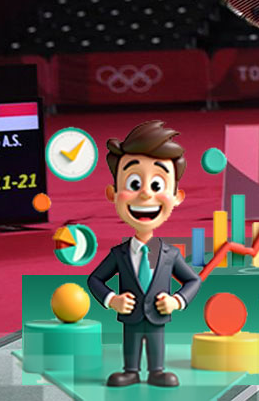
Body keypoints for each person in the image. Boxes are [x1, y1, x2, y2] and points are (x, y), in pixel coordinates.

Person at [87, 121, 200, 388]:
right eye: (134, 183)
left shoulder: (171, 254)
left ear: (177, 196)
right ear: (113, 193)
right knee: (131, 340)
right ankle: (131, 370)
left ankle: (157, 370)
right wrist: (112, 300)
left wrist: (177, 301)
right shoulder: (119, 254)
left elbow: (193, 280)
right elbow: (95, 279)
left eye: (158, 184)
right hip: (131, 316)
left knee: (157, 342)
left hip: (158, 315)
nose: (146, 193)